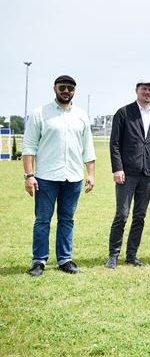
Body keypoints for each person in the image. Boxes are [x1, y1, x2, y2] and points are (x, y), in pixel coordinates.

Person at [23, 75, 96, 276]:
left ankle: (65, 259)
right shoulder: (40, 113)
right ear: (54, 89)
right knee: (42, 220)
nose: (66, 91)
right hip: (46, 178)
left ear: (74, 91)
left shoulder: (81, 115)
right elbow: (29, 148)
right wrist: (29, 176)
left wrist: (90, 174)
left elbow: (88, 148)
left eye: (70, 88)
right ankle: (39, 261)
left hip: (73, 178)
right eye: (62, 87)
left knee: (67, 220)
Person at [105, 79, 150, 269]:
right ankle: (113, 255)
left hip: (148, 173)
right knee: (122, 215)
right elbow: (115, 143)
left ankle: (131, 255)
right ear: (137, 91)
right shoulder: (124, 113)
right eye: (144, 89)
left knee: (140, 216)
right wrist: (117, 168)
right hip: (127, 173)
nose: (148, 92)